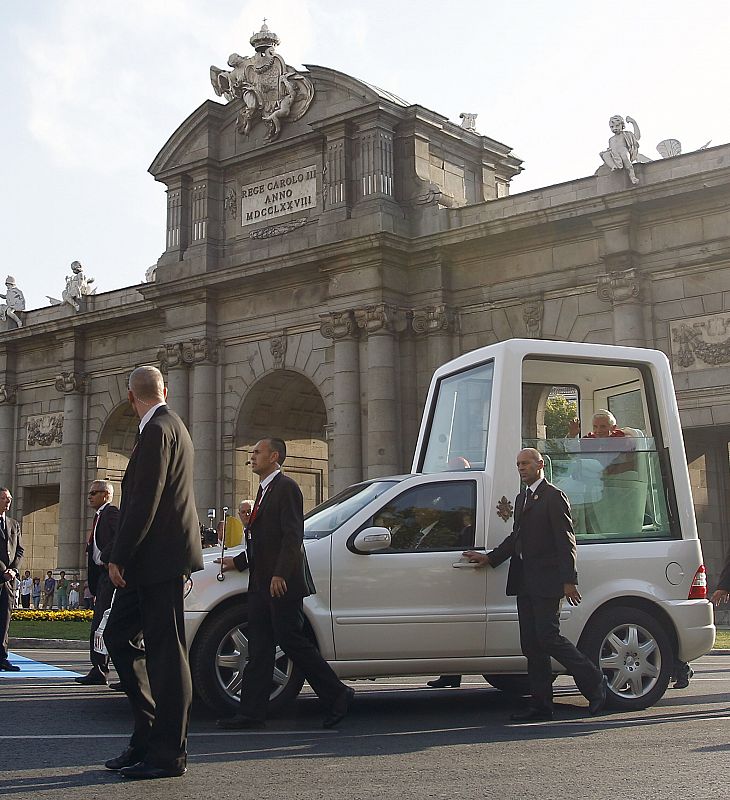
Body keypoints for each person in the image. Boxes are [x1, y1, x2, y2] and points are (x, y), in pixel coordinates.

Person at [103, 365, 203, 780]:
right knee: (118, 635)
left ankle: (168, 754)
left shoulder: (159, 430)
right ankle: (147, 734)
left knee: (166, 652)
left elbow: (144, 501)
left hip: (155, 559)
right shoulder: (171, 424)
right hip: (151, 559)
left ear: (130, 398)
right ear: (167, 389)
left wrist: (116, 556)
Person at [216, 437, 354, 730]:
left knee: (292, 642)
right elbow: (264, 539)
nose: (251, 456)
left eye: (257, 452)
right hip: (261, 583)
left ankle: (338, 693)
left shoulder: (287, 488)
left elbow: (292, 536)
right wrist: (238, 562)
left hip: (282, 583)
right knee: (261, 647)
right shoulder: (264, 490)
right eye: (251, 452)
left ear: (274, 456)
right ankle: (251, 713)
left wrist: (280, 574)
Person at [464, 448, 607, 721]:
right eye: (518, 464)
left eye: (526, 463)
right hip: (525, 581)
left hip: (548, 581)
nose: (521, 468)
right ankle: (541, 706)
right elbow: (515, 538)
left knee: (548, 637)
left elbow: (566, 541)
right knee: (531, 645)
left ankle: (594, 680)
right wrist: (489, 558)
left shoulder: (554, 497)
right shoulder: (522, 498)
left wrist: (569, 580)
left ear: (540, 464)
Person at [76, 480, 120, 686]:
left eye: (94, 493)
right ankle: (99, 668)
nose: (90, 497)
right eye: (89, 493)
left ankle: (101, 669)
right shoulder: (98, 517)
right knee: (100, 624)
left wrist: (105, 557)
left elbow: (121, 536)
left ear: (106, 495)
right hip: (101, 578)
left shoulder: (111, 513)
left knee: (104, 624)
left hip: (109, 575)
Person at [0, 486, 23, 672]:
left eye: (10, 499)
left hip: (9, 580)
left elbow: (19, 550)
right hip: (1, 575)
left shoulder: (14, 524)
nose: (8, 502)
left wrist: (14, 570)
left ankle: (2, 657)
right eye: (4, 498)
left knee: (4, 619)